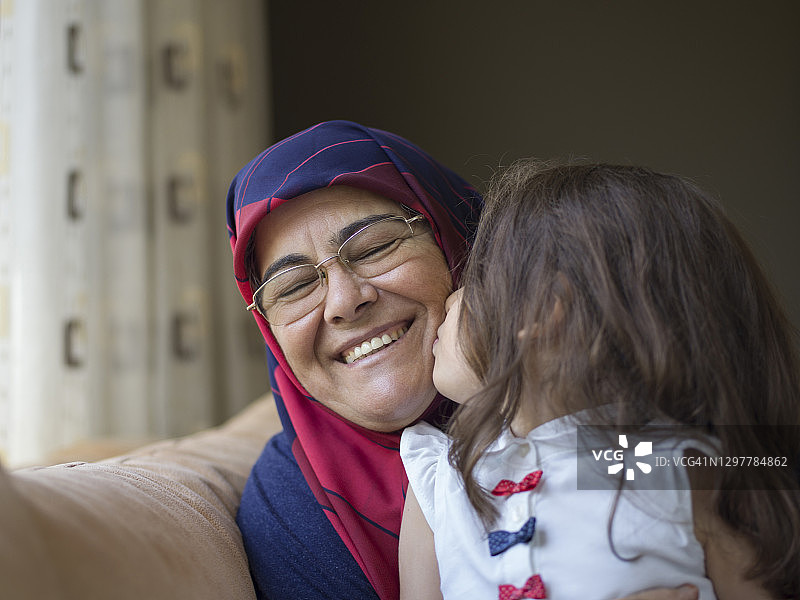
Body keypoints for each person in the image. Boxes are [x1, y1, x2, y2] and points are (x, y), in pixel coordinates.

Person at [227, 121, 712, 600]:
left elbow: (740, 472)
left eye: (375, 246)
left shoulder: (599, 431)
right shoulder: (300, 498)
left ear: (468, 252)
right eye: (292, 287)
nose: (343, 301)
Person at [398, 161, 800, 599]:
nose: (451, 298)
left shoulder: (652, 461)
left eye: (476, 276)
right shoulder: (440, 475)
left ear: (544, 308)